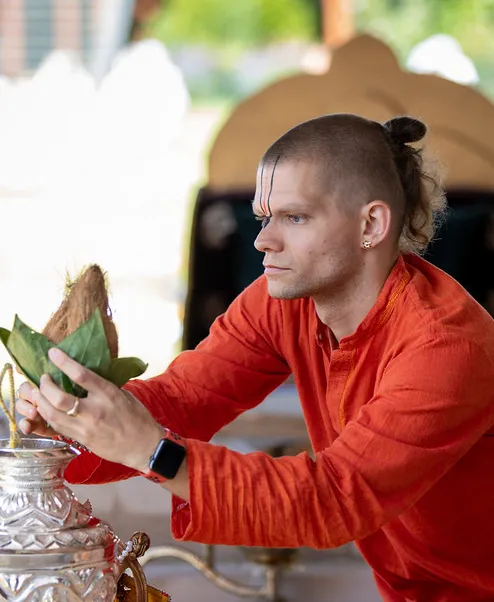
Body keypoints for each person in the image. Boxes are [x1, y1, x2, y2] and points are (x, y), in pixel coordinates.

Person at [17, 113, 494, 602]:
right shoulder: (282, 302)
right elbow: (185, 397)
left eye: (294, 217)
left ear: (370, 223)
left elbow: (332, 498)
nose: (262, 239)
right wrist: (70, 421)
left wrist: (150, 448)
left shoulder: (445, 345)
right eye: (265, 216)